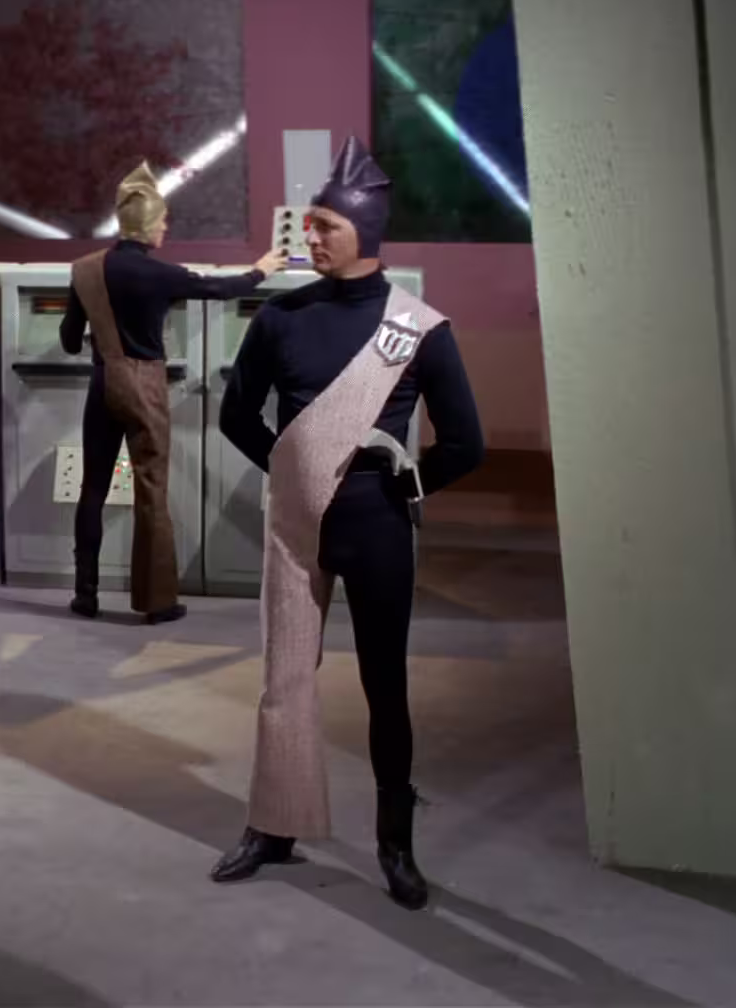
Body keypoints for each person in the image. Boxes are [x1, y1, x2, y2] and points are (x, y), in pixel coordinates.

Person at [209, 136, 484, 908]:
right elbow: (236, 415)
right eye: (310, 222)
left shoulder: (419, 329)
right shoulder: (280, 318)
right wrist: (292, 469)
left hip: (377, 525)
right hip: (299, 522)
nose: (311, 235)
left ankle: (395, 845)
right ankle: (274, 825)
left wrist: (408, 485)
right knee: (283, 679)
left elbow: (467, 443)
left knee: (384, 685)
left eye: (326, 224)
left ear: (365, 228)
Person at [61, 162, 288, 623]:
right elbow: (220, 289)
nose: (166, 228)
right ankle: (157, 602)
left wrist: (100, 337)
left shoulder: (84, 270)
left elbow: (68, 339)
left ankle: (85, 594)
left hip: (102, 383)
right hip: (144, 385)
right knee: (151, 491)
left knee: (93, 489)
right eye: (163, 221)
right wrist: (261, 270)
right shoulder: (161, 274)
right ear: (148, 226)